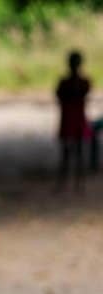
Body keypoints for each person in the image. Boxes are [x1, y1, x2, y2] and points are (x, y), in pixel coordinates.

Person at [56, 50, 90, 191]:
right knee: (77, 152)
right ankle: (77, 183)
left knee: (68, 153)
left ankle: (69, 183)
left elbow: (60, 97)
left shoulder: (66, 83)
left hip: (70, 119)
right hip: (75, 119)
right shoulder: (83, 82)